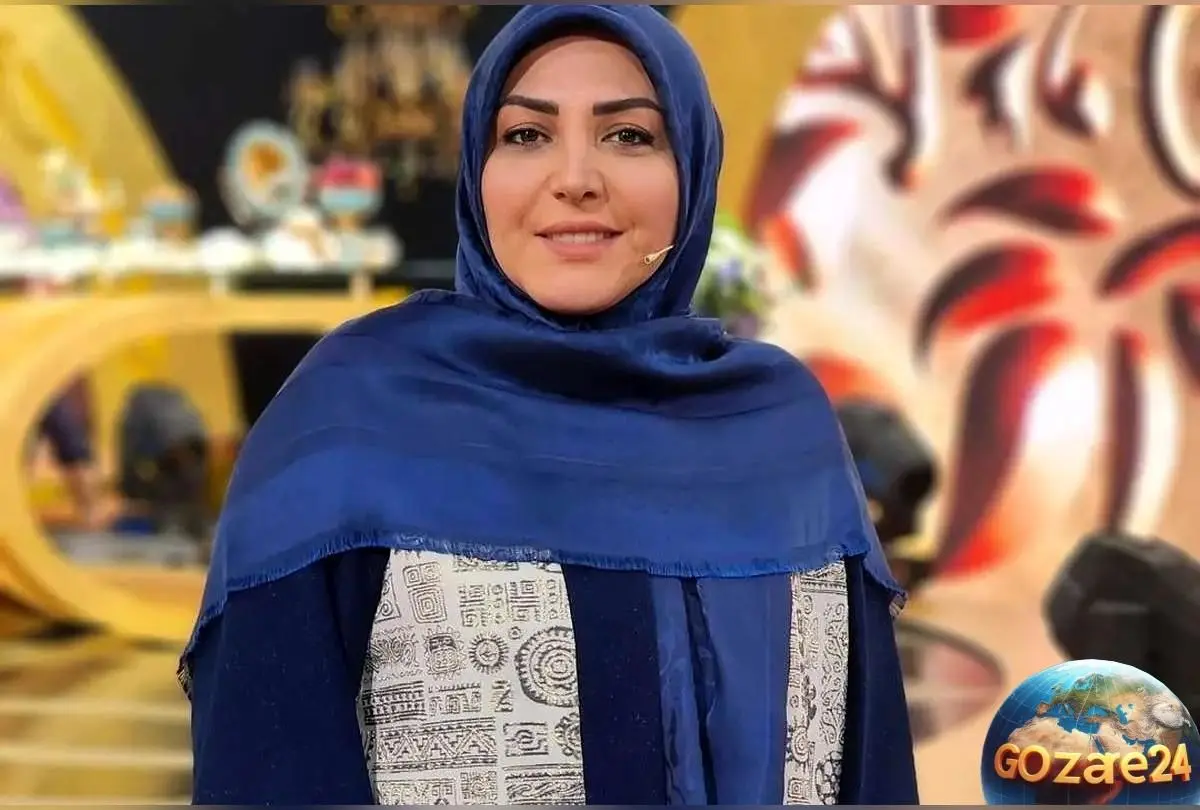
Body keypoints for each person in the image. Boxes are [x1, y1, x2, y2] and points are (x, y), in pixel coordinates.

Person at [181, 6, 918, 805]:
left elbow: (869, 769)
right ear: (478, 169)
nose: (575, 178)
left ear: (692, 168)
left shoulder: (779, 434)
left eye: (628, 135)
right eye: (527, 135)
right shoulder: (346, 423)